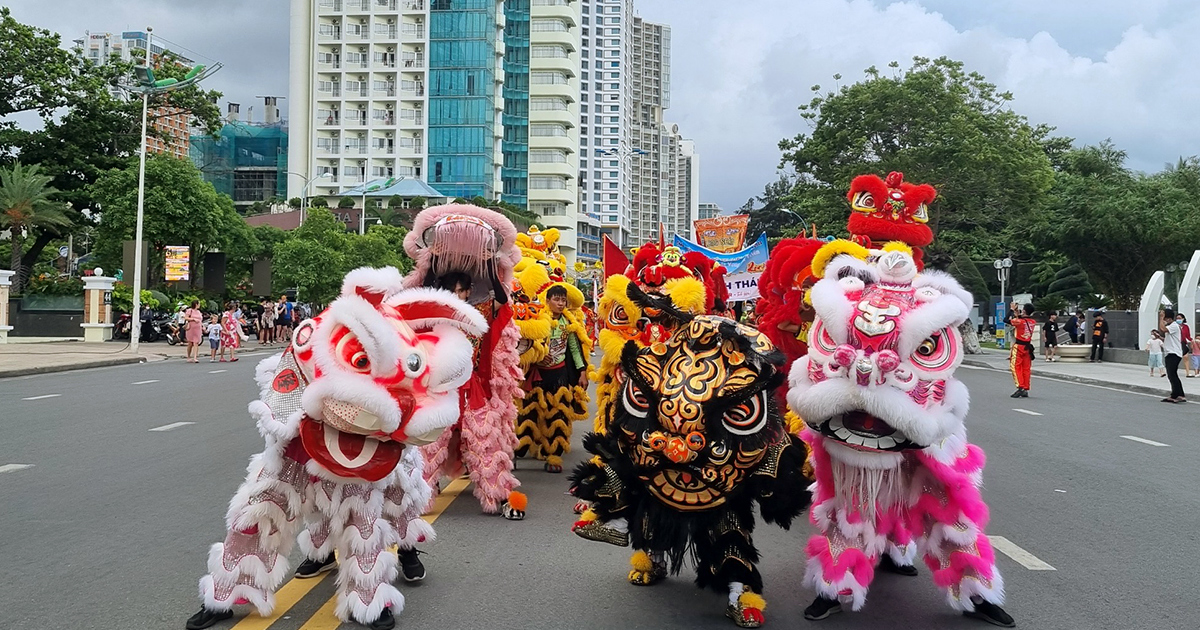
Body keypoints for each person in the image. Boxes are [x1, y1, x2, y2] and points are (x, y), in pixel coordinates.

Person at [1009, 303, 1036, 398]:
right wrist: (1017, 312)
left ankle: (1020, 387)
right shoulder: (1033, 322)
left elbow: (1006, 320)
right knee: (1026, 368)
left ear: (1024, 311)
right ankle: (1025, 388)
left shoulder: (1019, 322)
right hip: (1027, 347)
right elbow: (1022, 319)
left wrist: (1012, 310)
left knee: (1015, 367)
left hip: (1019, 346)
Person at [1161, 309, 1186, 403]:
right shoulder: (1172, 326)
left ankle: (1175, 395)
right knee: (1173, 374)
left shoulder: (1174, 326)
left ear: (1167, 318)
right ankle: (1180, 394)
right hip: (1171, 352)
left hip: (1173, 353)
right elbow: (1169, 338)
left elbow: (1162, 329)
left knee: (1172, 374)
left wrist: (1161, 318)